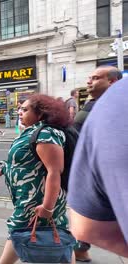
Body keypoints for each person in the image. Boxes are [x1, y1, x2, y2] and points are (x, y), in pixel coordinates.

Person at [0, 94, 72, 264]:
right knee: (51, 232)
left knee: (20, 230)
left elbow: (54, 171)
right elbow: (27, 160)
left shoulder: (46, 134)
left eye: (25, 109)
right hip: (29, 197)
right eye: (20, 109)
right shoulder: (34, 131)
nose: (20, 112)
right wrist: (5, 169)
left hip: (37, 199)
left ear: (40, 113)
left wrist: (48, 207)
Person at [68, 77, 128, 258]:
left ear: (113, 81)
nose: (88, 81)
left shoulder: (116, 100)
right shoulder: (105, 103)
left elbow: (87, 227)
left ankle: (80, 251)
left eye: (96, 77)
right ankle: (80, 251)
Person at [74, 65, 122, 132]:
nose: (88, 82)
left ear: (112, 81)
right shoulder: (90, 106)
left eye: (95, 78)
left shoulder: (121, 107)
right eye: (89, 78)